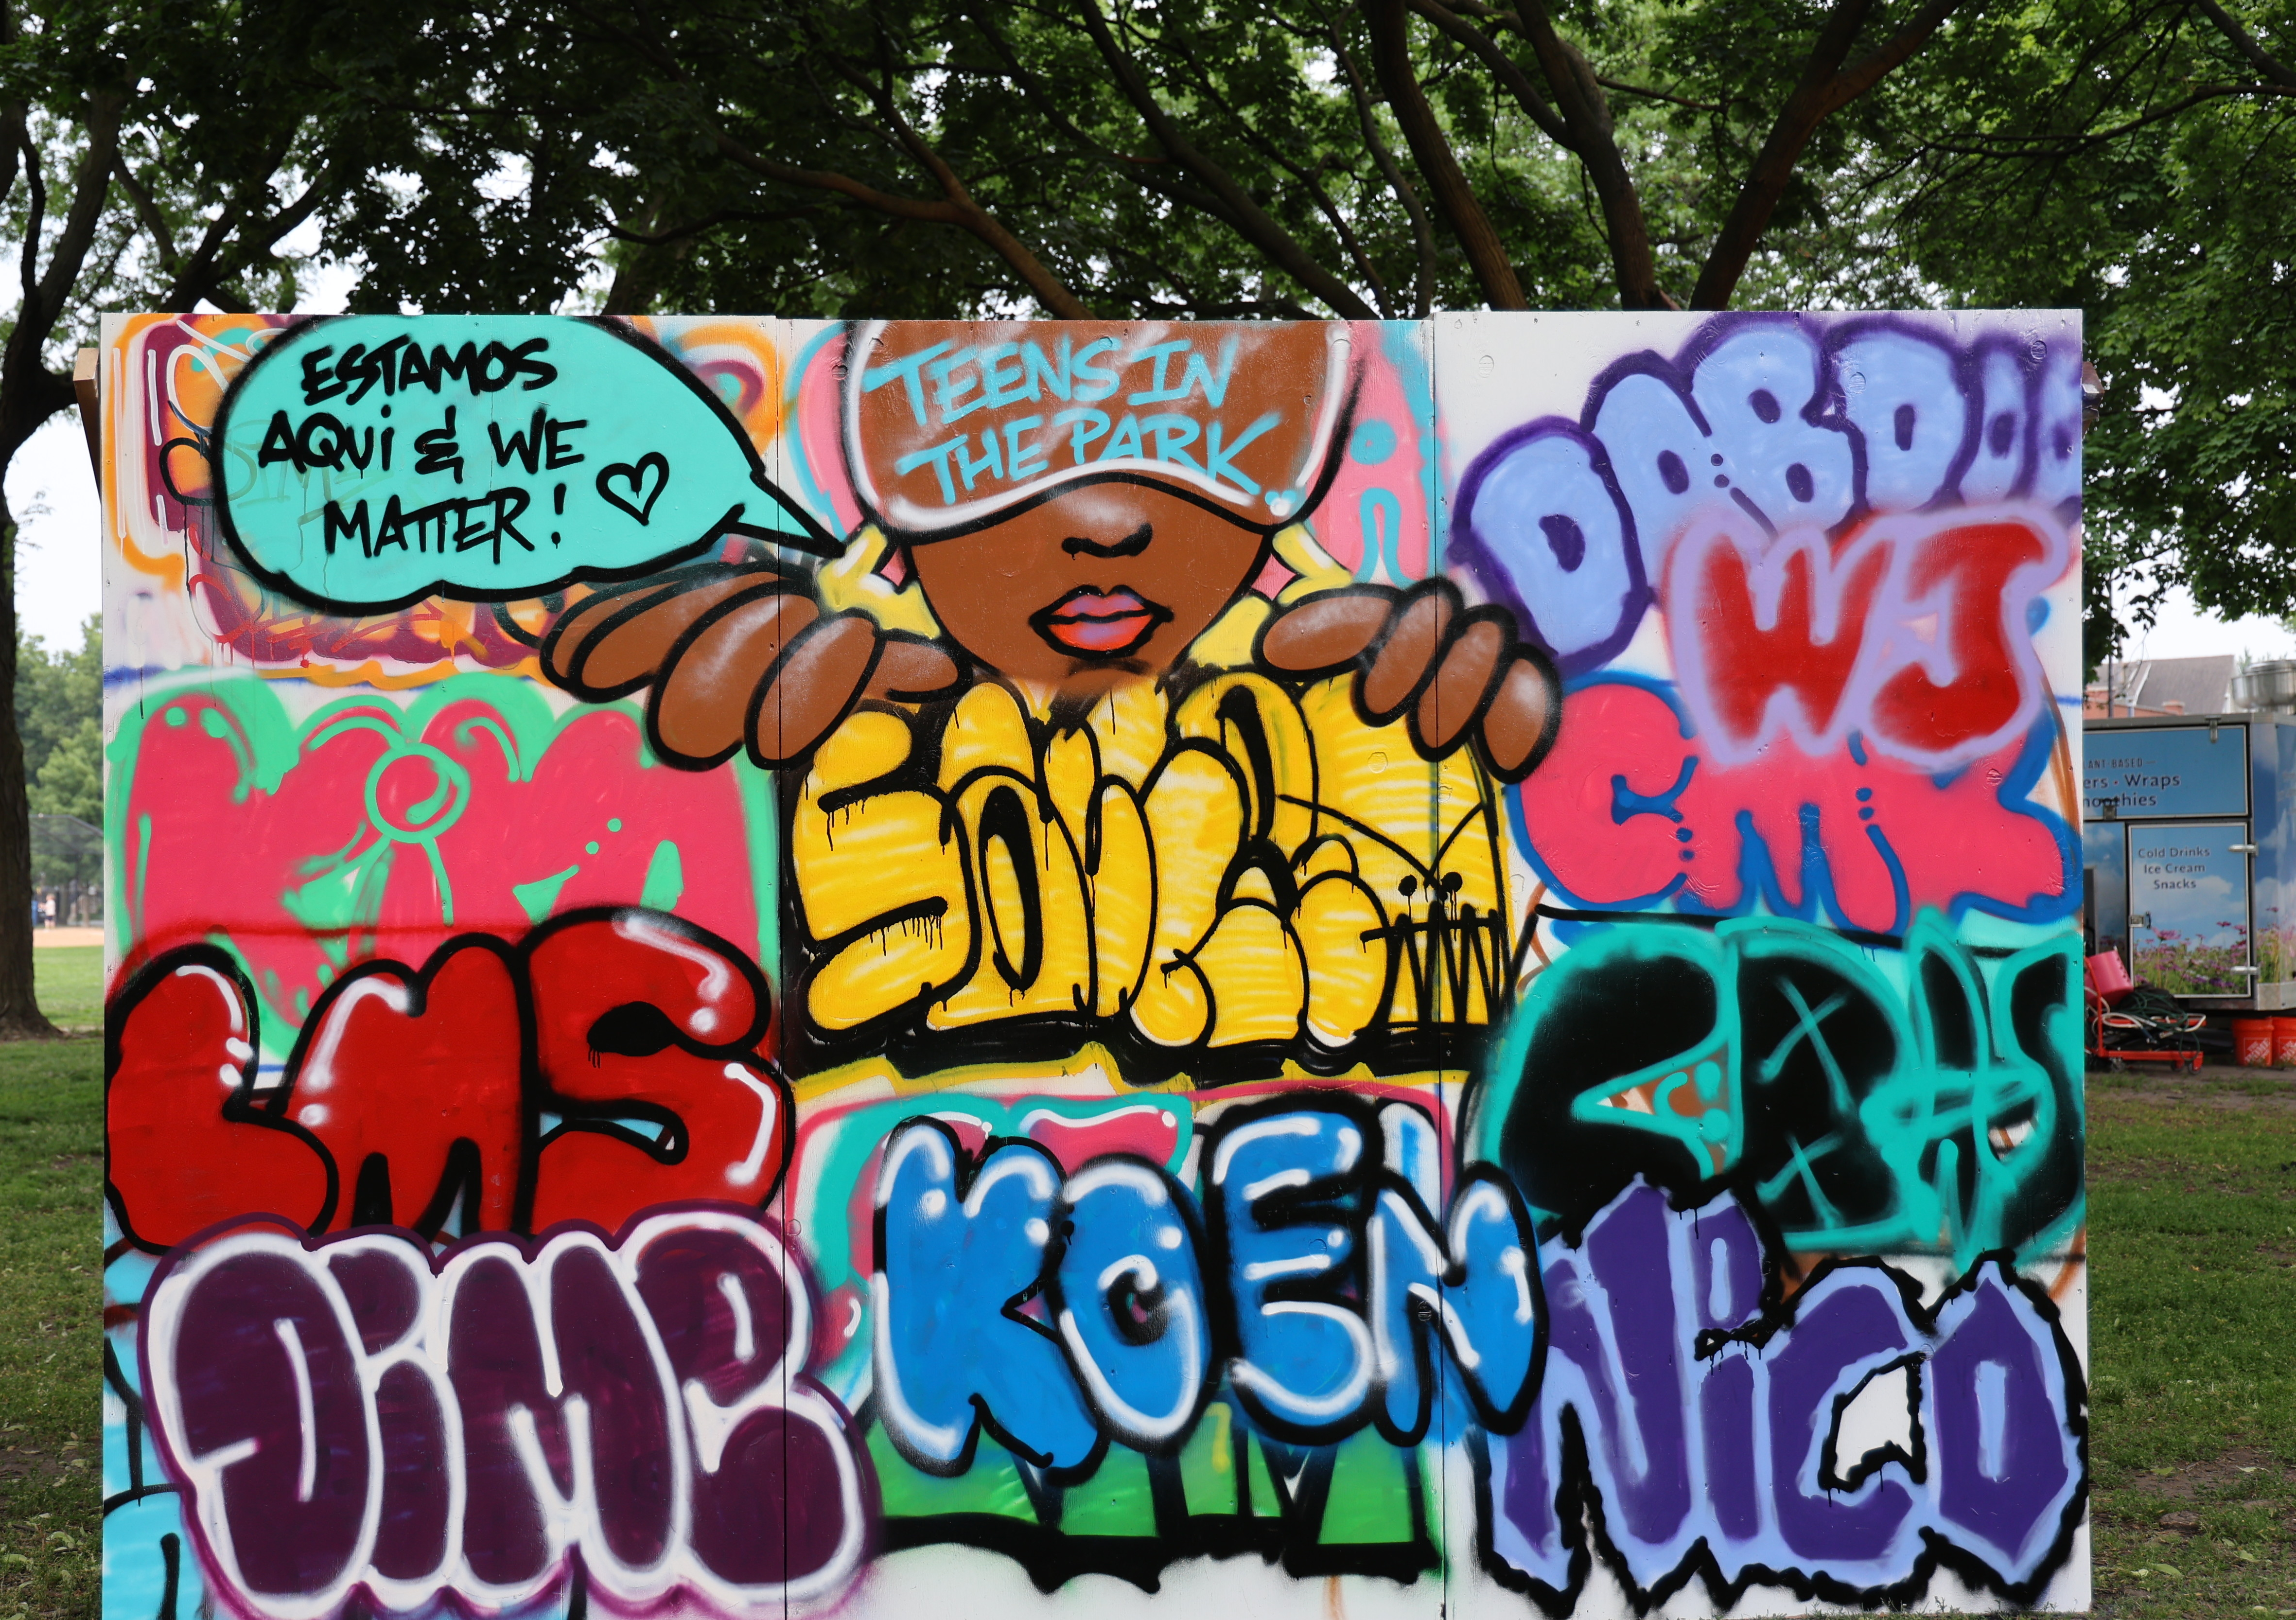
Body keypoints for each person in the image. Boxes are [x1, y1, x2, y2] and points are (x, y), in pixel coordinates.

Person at [540, 319, 1563, 1074]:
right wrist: (707, 777)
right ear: (903, 540)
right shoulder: (829, 667)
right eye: (999, 492)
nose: (1106, 530)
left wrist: (1498, 758)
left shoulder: (1349, 690)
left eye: (1186, 482)